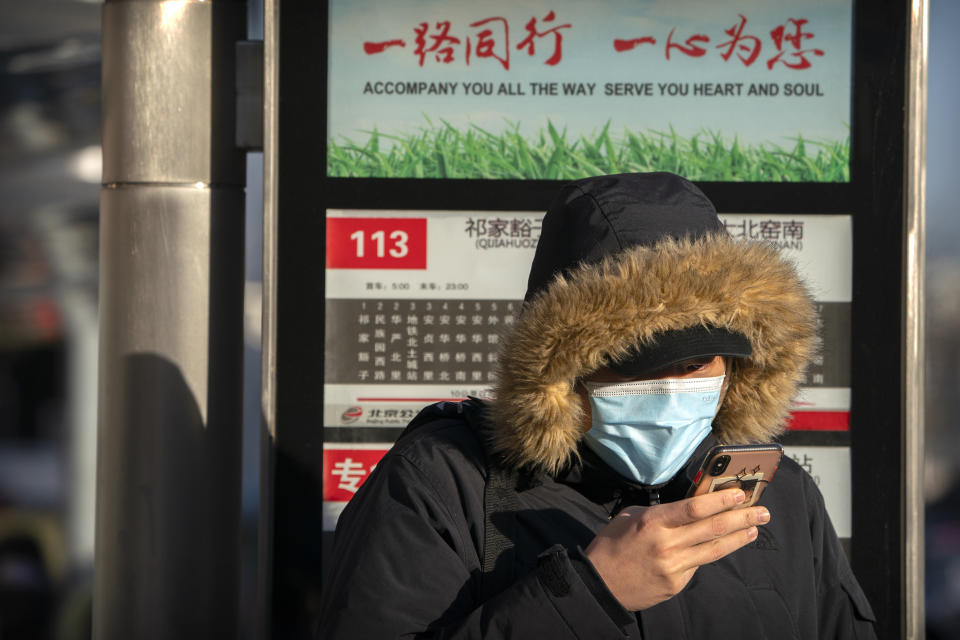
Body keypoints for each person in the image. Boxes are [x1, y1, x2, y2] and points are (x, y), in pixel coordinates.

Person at [317, 172, 877, 638]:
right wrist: (587, 594)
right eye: (634, 360)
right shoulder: (443, 483)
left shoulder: (777, 494)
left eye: (696, 362)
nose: (670, 388)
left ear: (739, 363)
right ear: (562, 367)